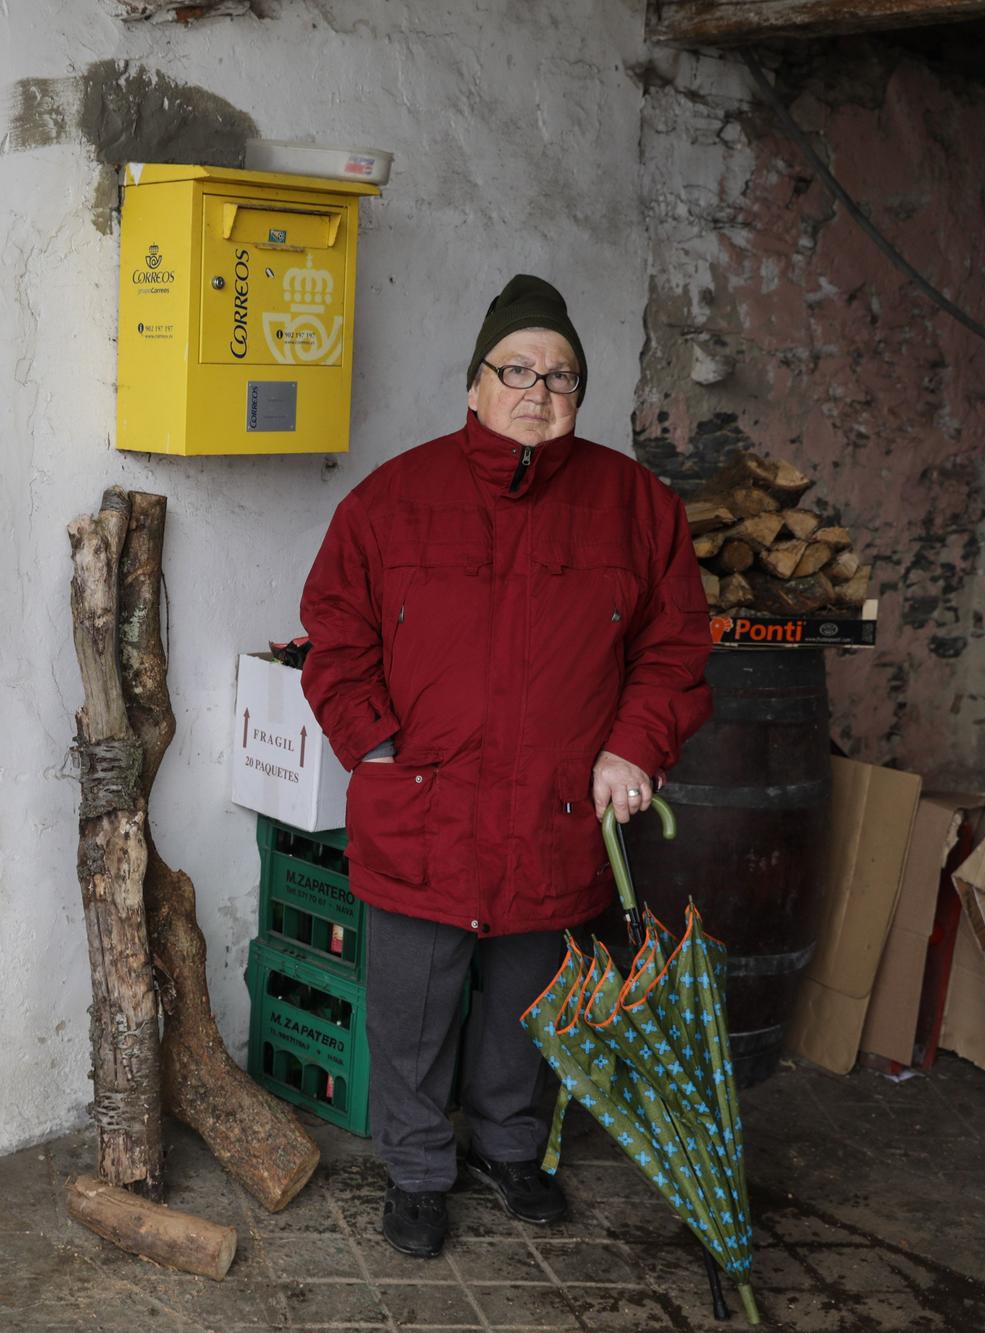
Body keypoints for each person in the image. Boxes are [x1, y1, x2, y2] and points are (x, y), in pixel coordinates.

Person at [298, 274, 711, 1260]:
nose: (538, 389)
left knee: (531, 1004)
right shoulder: (392, 499)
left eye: (559, 372)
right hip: (425, 807)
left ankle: (509, 1146)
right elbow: (333, 636)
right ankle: (414, 1167)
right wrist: (378, 746)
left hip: (552, 812)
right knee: (413, 1005)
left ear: (580, 391)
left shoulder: (634, 507)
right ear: (475, 385)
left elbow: (674, 650)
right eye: (516, 368)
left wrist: (631, 744)